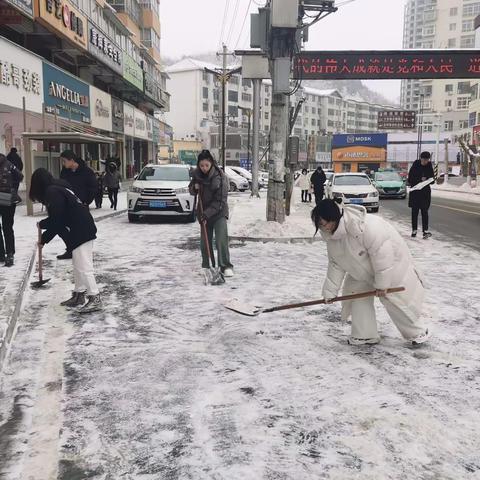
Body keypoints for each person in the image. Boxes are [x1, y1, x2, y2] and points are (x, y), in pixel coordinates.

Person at [311, 198, 429, 346]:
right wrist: (329, 293)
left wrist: (382, 285)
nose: (323, 228)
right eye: (319, 225)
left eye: (324, 223)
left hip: (392, 264)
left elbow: (383, 256)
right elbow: (336, 264)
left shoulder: (365, 226)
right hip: (363, 269)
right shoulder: (333, 237)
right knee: (356, 294)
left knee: (394, 300)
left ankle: (417, 333)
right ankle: (365, 335)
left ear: (333, 217)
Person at [29, 168, 102, 313]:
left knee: (84, 265)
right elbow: (60, 219)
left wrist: (43, 231)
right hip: (78, 228)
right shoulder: (59, 187)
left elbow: (58, 220)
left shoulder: (53, 192)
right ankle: (79, 294)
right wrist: (45, 233)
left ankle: (95, 297)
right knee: (77, 264)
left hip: (81, 229)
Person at [189, 150, 234, 277]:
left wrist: (207, 214)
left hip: (219, 212)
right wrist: (194, 187)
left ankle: (225, 266)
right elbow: (191, 190)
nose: (204, 168)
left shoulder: (220, 177)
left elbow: (220, 200)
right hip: (204, 213)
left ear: (212, 164)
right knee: (205, 241)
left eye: (206, 165)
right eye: (201, 165)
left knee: (221, 239)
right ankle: (206, 265)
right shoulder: (197, 175)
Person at [57, 150, 97, 259]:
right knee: (62, 227)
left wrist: (86, 201)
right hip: (67, 205)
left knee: (80, 230)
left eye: (64, 161)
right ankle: (70, 249)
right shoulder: (64, 172)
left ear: (72, 160)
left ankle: (81, 251)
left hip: (81, 205)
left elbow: (93, 187)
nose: (63, 163)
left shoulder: (87, 172)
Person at [0, 153, 23, 267]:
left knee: (6, 226)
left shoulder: (8, 165)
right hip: (7, 198)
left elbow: (20, 177)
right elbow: (20, 177)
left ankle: (7, 254)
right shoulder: (9, 164)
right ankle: (6, 254)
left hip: (7, 199)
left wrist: (12, 188)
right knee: (7, 227)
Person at [408, 151, 434, 239]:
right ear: (421, 158)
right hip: (415, 192)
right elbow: (410, 178)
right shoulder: (415, 165)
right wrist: (420, 179)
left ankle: (425, 231)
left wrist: (427, 179)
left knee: (425, 212)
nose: (425, 162)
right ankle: (414, 230)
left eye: (427, 160)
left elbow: (432, 180)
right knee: (414, 212)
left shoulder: (429, 166)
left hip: (425, 193)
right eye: (424, 160)